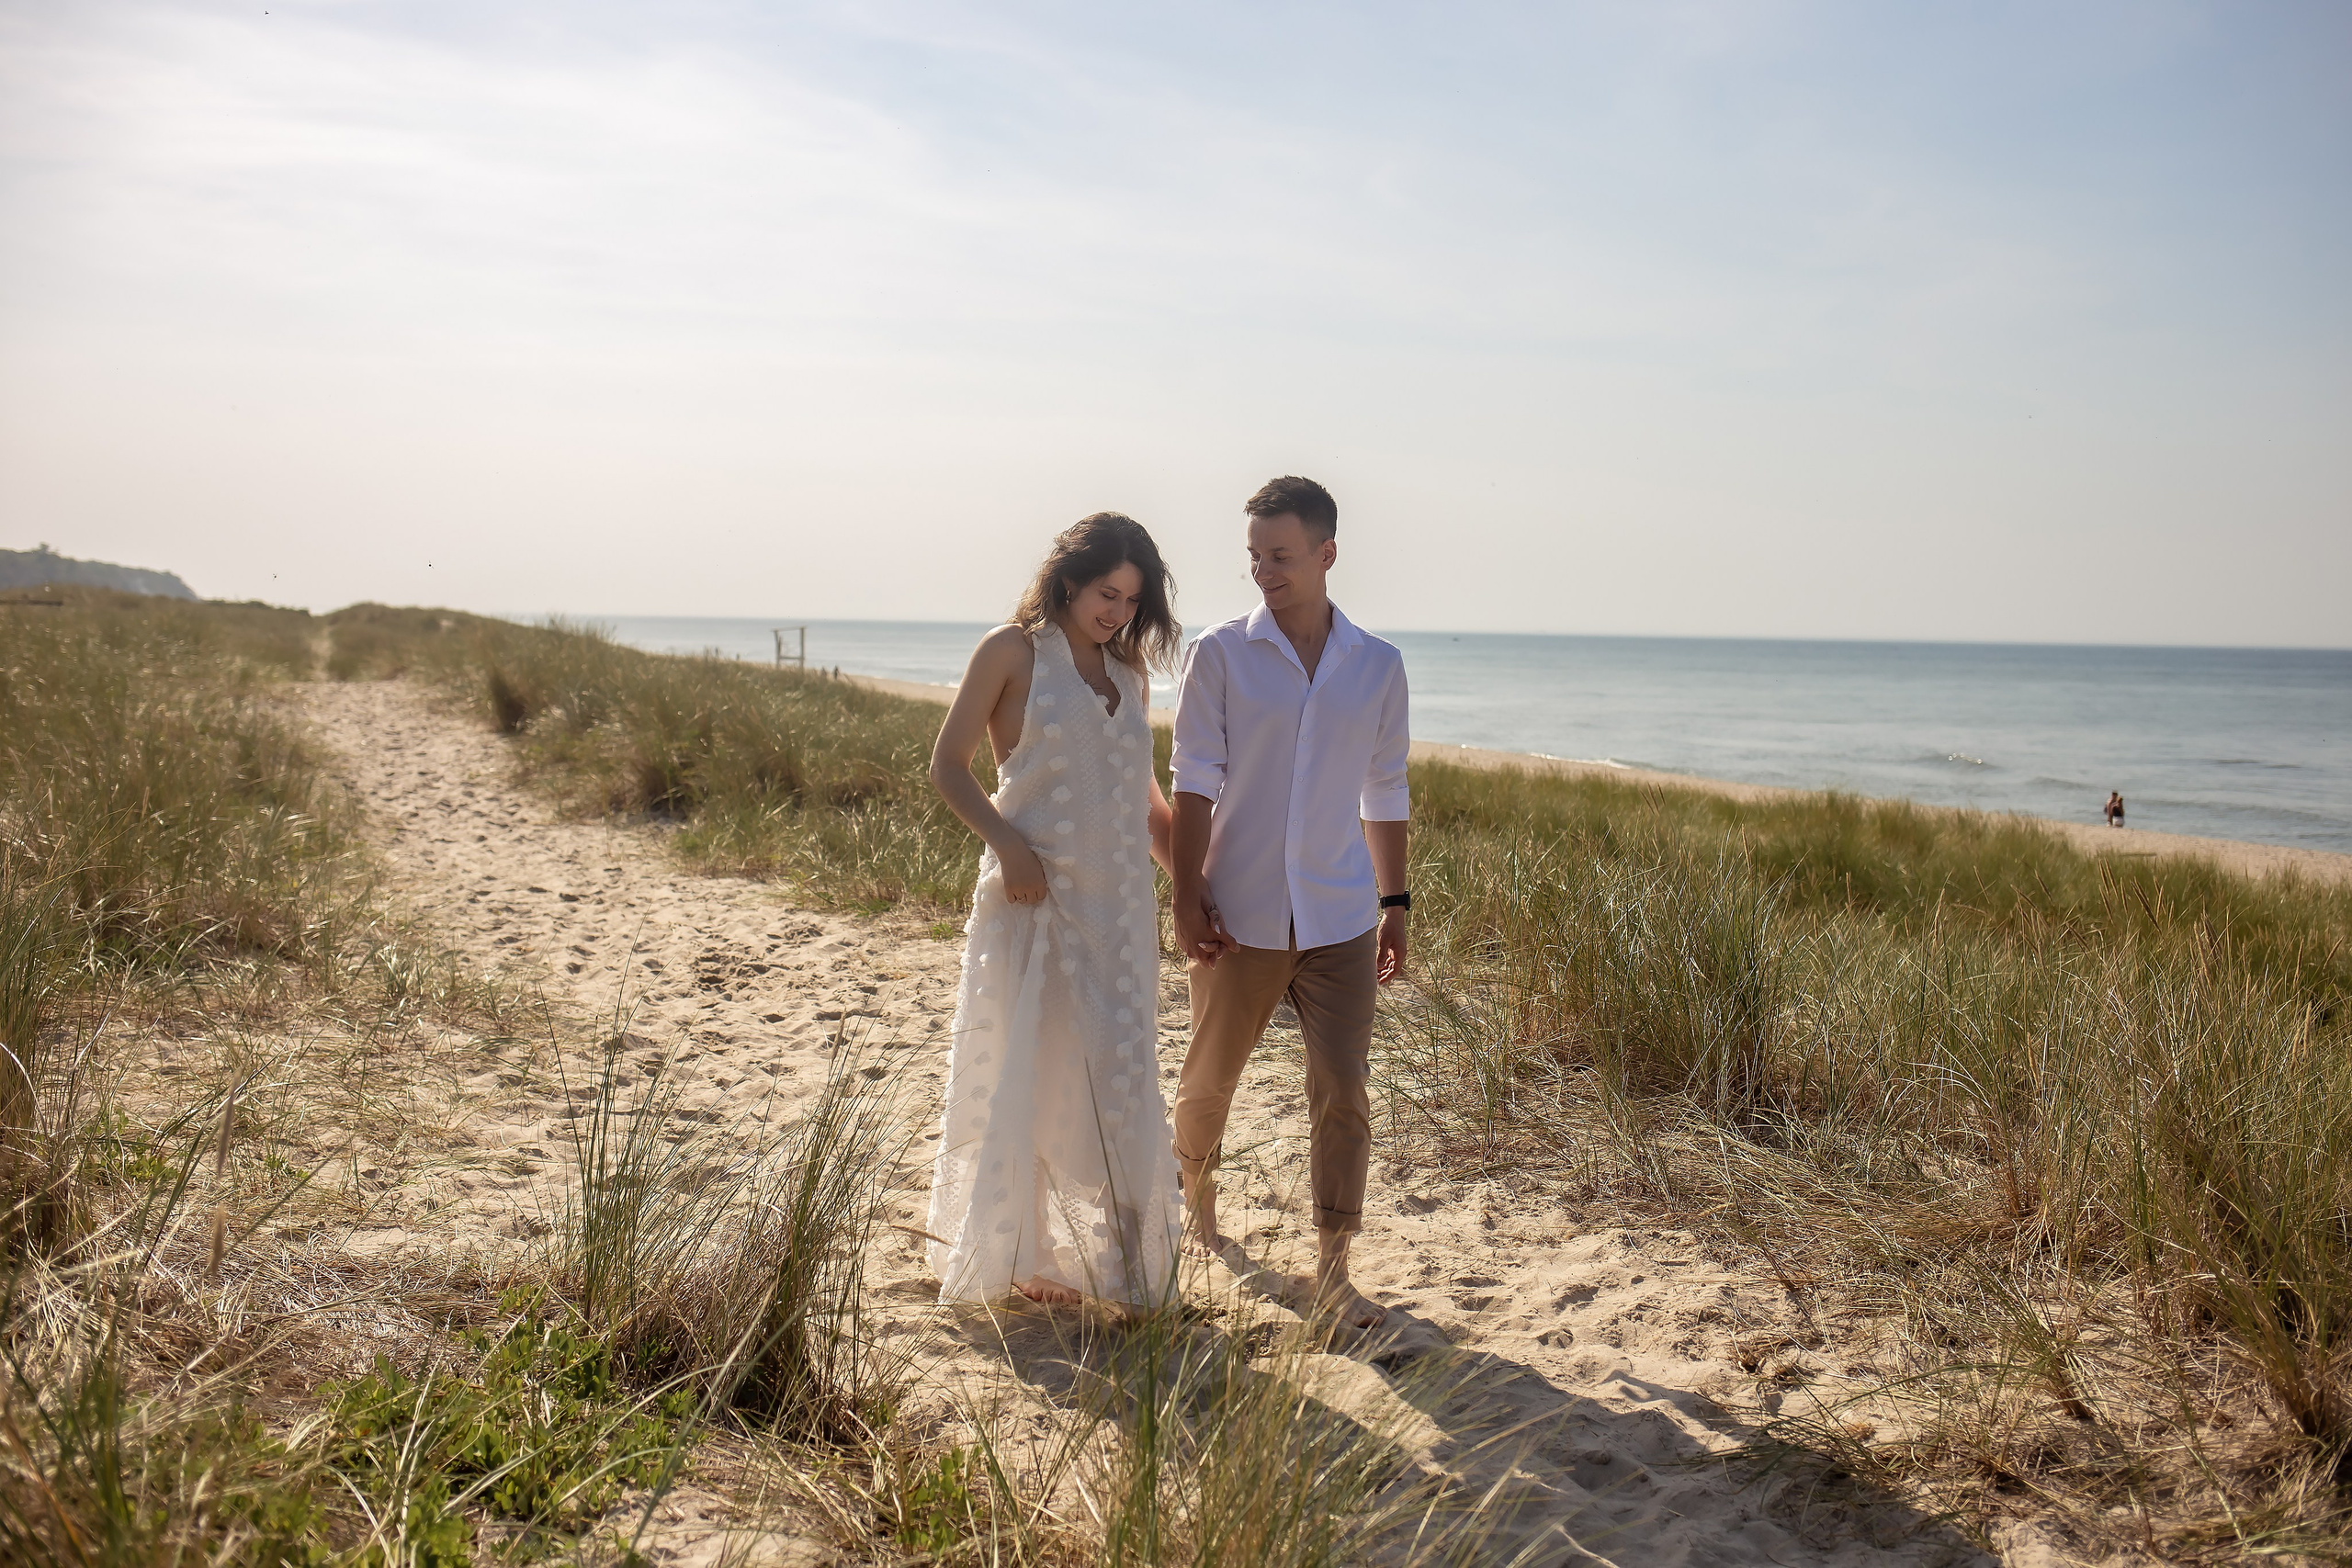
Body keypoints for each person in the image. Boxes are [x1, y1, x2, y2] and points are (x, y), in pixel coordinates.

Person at [1167, 475, 1410, 1331]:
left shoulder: (1378, 665)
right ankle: (1196, 1199)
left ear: (1325, 553)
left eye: (1280, 555)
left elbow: (1385, 787)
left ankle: (1336, 1269)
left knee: (1344, 1087)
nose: (1264, 571)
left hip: (1343, 915)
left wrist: (1396, 901)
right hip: (1242, 917)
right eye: (1255, 557)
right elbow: (1192, 779)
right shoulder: (1221, 653)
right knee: (1209, 1080)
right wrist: (1186, 893)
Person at [923, 513, 1185, 1307]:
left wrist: (1194, 894)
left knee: (1122, 1073)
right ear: (1071, 578)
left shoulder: (1129, 674)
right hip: (1032, 902)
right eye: (1108, 592)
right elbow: (948, 766)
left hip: (1122, 915)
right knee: (1027, 1070)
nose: (1115, 612)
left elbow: (1143, 803)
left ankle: (1131, 1270)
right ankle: (1020, 1259)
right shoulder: (1011, 651)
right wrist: (1010, 848)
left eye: (1131, 602)